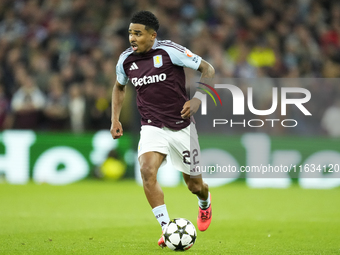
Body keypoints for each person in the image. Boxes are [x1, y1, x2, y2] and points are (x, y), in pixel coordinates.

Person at [110, 11, 214, 248]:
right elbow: (118, 87)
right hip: (151, 126)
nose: (132, 38)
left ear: (152, 35)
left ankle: (205, 203)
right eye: (130, 33)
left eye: (138, 33)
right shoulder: (125, 60)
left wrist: (197, 99)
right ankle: (167, 228)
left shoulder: (170, 51)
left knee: (195, 186)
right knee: (147, 171)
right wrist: (115, 119)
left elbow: (208, 70)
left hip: (182, 126)